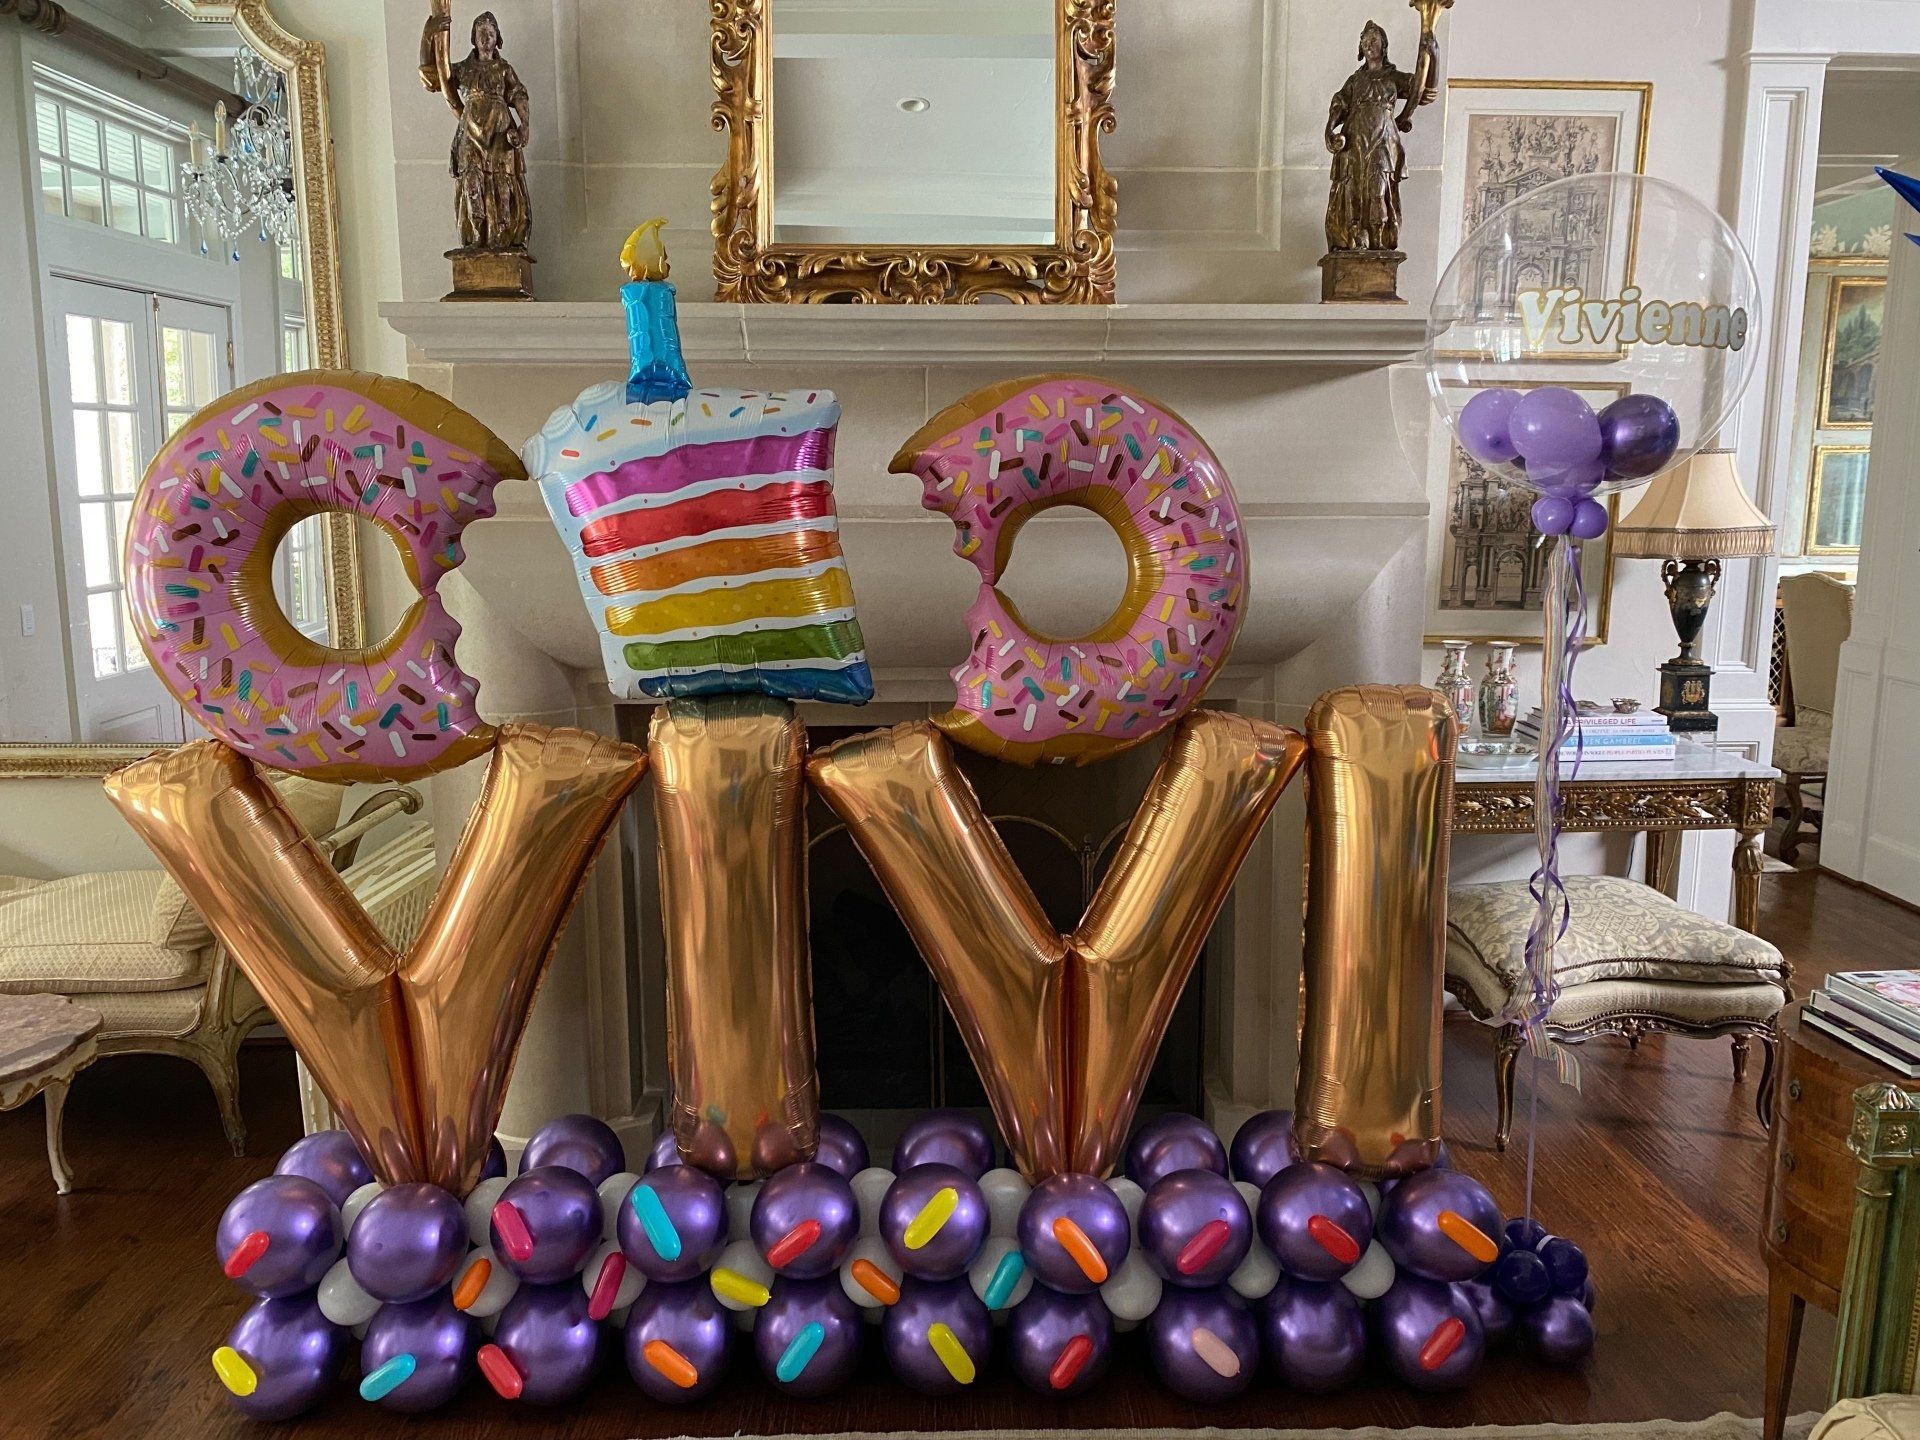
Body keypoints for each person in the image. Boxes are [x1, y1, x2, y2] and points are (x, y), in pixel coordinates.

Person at [422, 7, 531, 254]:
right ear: (473, 37)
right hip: (470, 133)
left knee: (502, 186)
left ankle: (501, 241)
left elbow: (519, 95)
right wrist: (428, 37)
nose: (485, 38)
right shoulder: (462, 70)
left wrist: (524, 125)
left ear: (497, 38)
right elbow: (432, 76)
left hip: (500, 132)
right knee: (472, 183)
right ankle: (475, 239)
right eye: (481, 33)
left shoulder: (504, 69)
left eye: (490, 33)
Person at [1323, 20, 1438, 253]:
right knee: (1352, 189)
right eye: (1365, 41)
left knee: (1378, 191)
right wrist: (1329, 131)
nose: (1369, 44)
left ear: (1383, 46)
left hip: (1382, 142)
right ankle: (1355, 236)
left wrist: (1431, 48)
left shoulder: (1393, 77)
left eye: (1374, 40)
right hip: (1354, 140)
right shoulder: (1355, 81)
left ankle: (1379, 243)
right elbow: (1338, 104)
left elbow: (1424, 86)